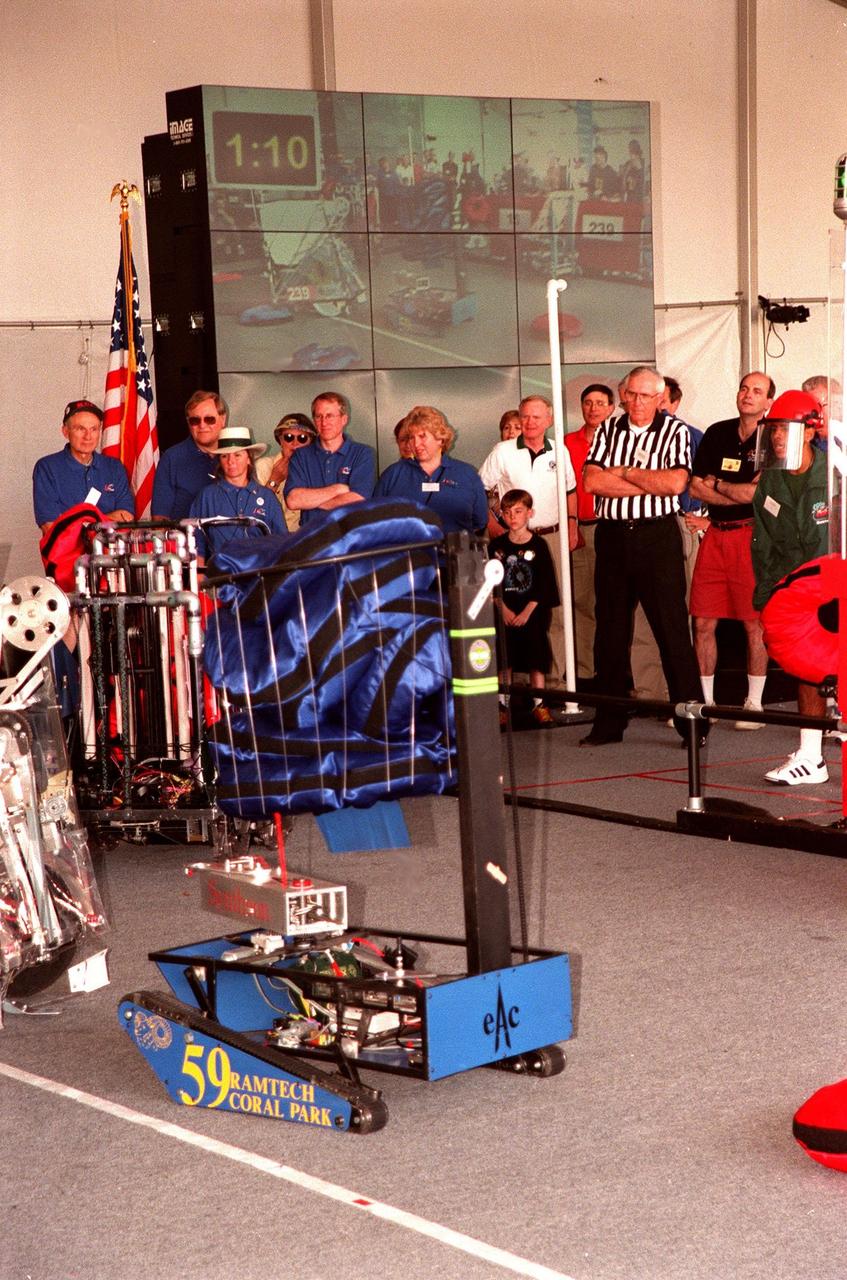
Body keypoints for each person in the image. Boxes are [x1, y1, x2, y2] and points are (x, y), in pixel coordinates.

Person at [582, 366, 704, 746]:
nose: (636, 402)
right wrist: (646, 478)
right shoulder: (607, 429)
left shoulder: (676, 431)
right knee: (610, 633)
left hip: (657, 538)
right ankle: (609, 723)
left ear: (660, 398)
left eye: (645, 396)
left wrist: (624, 472)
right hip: (614, 538)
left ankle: (693, 724)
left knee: (671, 631)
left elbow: (674, 482)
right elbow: (592, 481)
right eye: (631, 394)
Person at [687, 371, 775, 729]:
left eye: (757, 391)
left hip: (751, 537)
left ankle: (753, 704)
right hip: (715, 533)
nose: (747, 395)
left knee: (754, 623)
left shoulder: (775, 436)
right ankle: (706, 703)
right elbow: (694, 486)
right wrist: (732, 489)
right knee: (703, 620)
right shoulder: (717, 432)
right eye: (743, 388)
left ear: (769, 401)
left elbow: (755, 496)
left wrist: (719, 483)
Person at [752, 390, 829, 784]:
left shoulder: (835, 474)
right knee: (808, 670)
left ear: (809, 431)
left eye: (785, 428)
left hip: (837, 588)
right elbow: (763, 543)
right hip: (797, 594)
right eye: (774, 429)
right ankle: (812, 757)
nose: (778, 437)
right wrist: (767, 597)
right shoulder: (771, 480)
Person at [479, 394, 578, 680]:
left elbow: (570, 491)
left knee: (554, 613)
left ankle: (558, 682)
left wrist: (571, 524)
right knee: (513, 610)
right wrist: (492, 523)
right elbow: (479, 488)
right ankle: (518, 685)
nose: (530, 422)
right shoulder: (503, 450)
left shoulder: (560, 450)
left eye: (536, 417)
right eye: (525, 416)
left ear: (549, 420)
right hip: (512, 541)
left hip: (552, 537)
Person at [489, 490, 560, 728]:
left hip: (532, 612)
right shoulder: (497, 547)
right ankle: (502, 706)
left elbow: (545, 583)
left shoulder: (538, 544)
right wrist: (503, 609)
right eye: (507, 513)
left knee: (536, 659)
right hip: (506, 610)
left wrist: (527, 611)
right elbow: (491, 582)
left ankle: (540, 704)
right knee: (504, 659)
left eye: (518, 511)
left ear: (530, 513)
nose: (513, 517)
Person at [564, 383, 615, 682]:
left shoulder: (621, 440)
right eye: (588, 402)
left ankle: (618, 672)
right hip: (580, 529)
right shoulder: (566, 443)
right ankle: (584, 672)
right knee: (582, 603)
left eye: (600, 403)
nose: (594, 408)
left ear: (611, 407)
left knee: (614, 604)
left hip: (613, 528)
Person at [374, 405, 488, 535]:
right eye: (412, 437)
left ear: (440, 438)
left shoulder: (467, 474)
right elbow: (376, 519)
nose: (416, 444)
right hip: (407, 553)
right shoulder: (392, 475)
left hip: (456, 553)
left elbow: (480, 522)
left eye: (422, 436)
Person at [33, 399, 134, 533]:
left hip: (109, 552)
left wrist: (78, 523)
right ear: (65, 431)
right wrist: (104, 520)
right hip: (68, 554)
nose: (88, 436)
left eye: (94, 429)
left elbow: (126, 517)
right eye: (80, 429)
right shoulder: (47, 468)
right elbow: (50, 527)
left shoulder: (114, 467)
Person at [189, 424, 285, 561]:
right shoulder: (207, 496)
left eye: (237, 455)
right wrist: (198, 575)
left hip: (259, 574)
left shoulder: (267, 497)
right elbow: (196, 541)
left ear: (249, 459)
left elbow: (281, 542)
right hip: (219, 574)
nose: (231, 461)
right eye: (224, 456)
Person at [285, 391, 376, 527]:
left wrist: (312, 502)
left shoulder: (363, 453)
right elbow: (293, 501)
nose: (324, 422)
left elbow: (358, 499)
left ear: (344, 419)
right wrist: (337, 489)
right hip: (311, 538)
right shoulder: (301, 456)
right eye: (319, 416)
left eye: (330, 416)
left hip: (352, 537)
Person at [152, 390, 227, 520]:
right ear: (188, 423)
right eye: (195, 420)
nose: (202, 425)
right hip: (187, 537)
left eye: (209, 419)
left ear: (223, 419)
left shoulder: (235, 456)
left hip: (232, 538)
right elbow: (160, 517)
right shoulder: (172, 459)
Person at [255, 412, 316, 532]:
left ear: (311, 443)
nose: (295, 443)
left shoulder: (317, 470)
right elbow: (255, 513)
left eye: (302, 438)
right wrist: (274, 481)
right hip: (272, 538)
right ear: (280, 440)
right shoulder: (263, 466)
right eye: (288, 437)